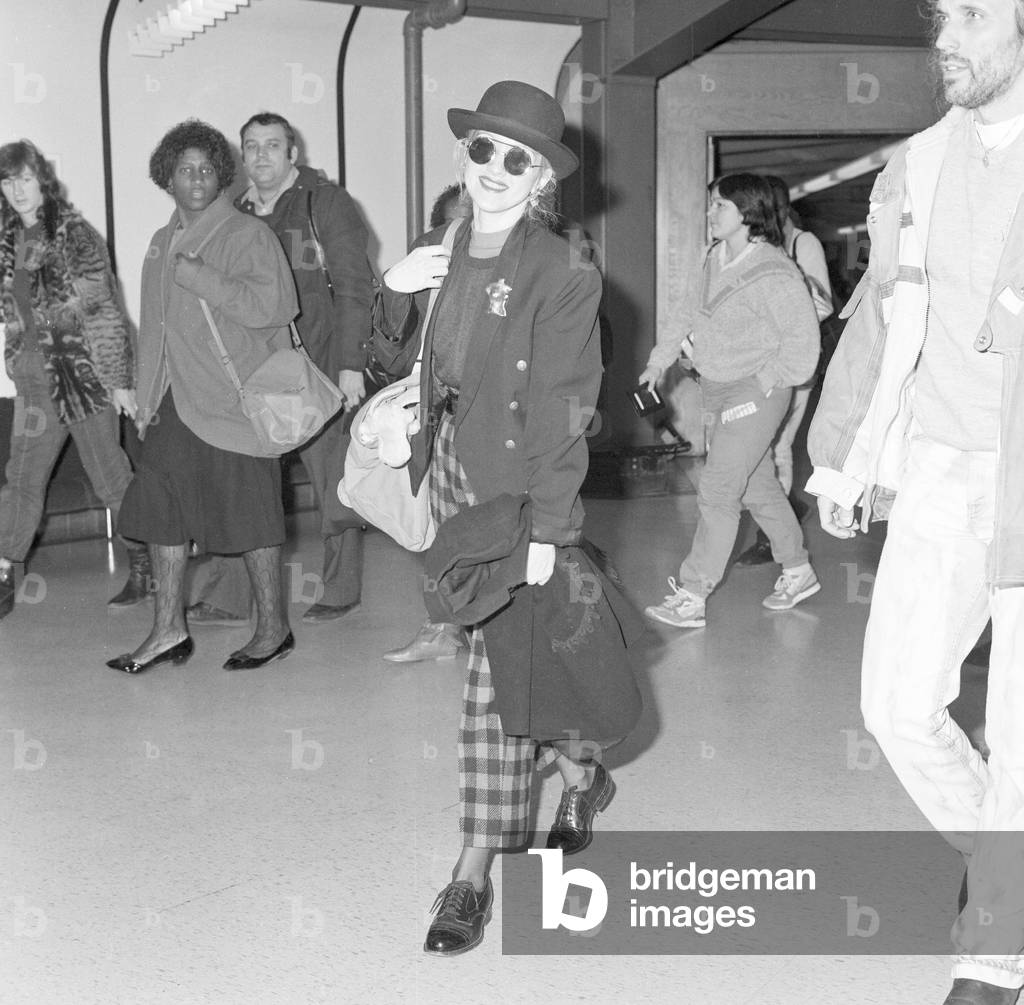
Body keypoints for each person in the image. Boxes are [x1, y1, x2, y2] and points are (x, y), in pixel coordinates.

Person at [376, 80, 642, 955]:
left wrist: (547, 530)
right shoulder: (441, 247)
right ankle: (580, 772)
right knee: (515, 658)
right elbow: (390, 357)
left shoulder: (560, 269)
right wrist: (393, 288)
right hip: (449, 479)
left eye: (515, 158)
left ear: (541, 180)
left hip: (518, 494)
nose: (493, 168)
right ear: (465, 156)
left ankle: (472, 869)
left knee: (491, 684)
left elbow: (569, 404)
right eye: (482, 149)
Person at [807, 2, 1024, 1001]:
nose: (944, 37)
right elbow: (876, 321)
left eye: (972, 13)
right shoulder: (919, 164)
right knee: (895, 705)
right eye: (940, 14)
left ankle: (997, 941)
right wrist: (846, 460)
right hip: (941, 459)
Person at [107, 120, 297, 673]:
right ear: (167, 176)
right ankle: (168, 629)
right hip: (174, 402)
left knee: (253, 518)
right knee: (162, 511)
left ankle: (273, 628)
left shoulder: (246, 234)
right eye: (185, 169)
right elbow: (154, 330)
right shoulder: (161, 241)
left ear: (221, 178)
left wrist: (204, 278)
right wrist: (145, 401)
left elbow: (274, 308)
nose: (196, 177)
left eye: (207, 169)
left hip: (235, 403)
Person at [184, 111, 374, 629]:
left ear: (293, 154)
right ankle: (229, 595)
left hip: (318, 367)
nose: (261, 155)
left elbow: (356, 286)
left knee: (332, 484)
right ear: (241, 158)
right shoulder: (233, 213)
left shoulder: (325, 203)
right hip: (253, 373)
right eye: (251, 146)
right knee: (247, 485)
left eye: (272, 145)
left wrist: (352, 365)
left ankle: (340, 589)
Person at [639, 173, 821, 630]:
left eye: (719, 205)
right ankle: (797, 569)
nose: (709, 213)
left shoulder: (776, 271)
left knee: (718, 488)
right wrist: (659, 362)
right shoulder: (712, 257)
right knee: (757, 486)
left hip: (757, 391)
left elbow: (803, 346)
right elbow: (687, 311)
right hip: (716, 386)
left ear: (748, 212)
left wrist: (765, 381)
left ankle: (693, 593)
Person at [0, 139, 147, 622]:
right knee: (21, 481)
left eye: (24, 178)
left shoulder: (73, 234)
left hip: (83, 378)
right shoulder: (6, 240)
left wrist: (120, 379)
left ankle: (148, 564)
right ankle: (2, 571)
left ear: (41, 180)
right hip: (34, 384)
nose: (17, 190)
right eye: (7, 181)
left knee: (110, 477)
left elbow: (103, 309)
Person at [381, 182, 471, 664]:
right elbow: (387, 352)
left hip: (502, 425)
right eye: (450, 228)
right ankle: (443, 626)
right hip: (436, 417)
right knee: (440, 528)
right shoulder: (422, 272)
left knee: (504, 532)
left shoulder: (534, 265)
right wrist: (395, 287)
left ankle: (502, 638)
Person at [734, 174, 833, 567]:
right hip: (759, 366)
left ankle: (772, 539)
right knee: (758, 448)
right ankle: (783, 510)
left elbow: (823, 304)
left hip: (793, 365)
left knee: (776, 447)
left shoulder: (802, 244)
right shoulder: (760, 248)